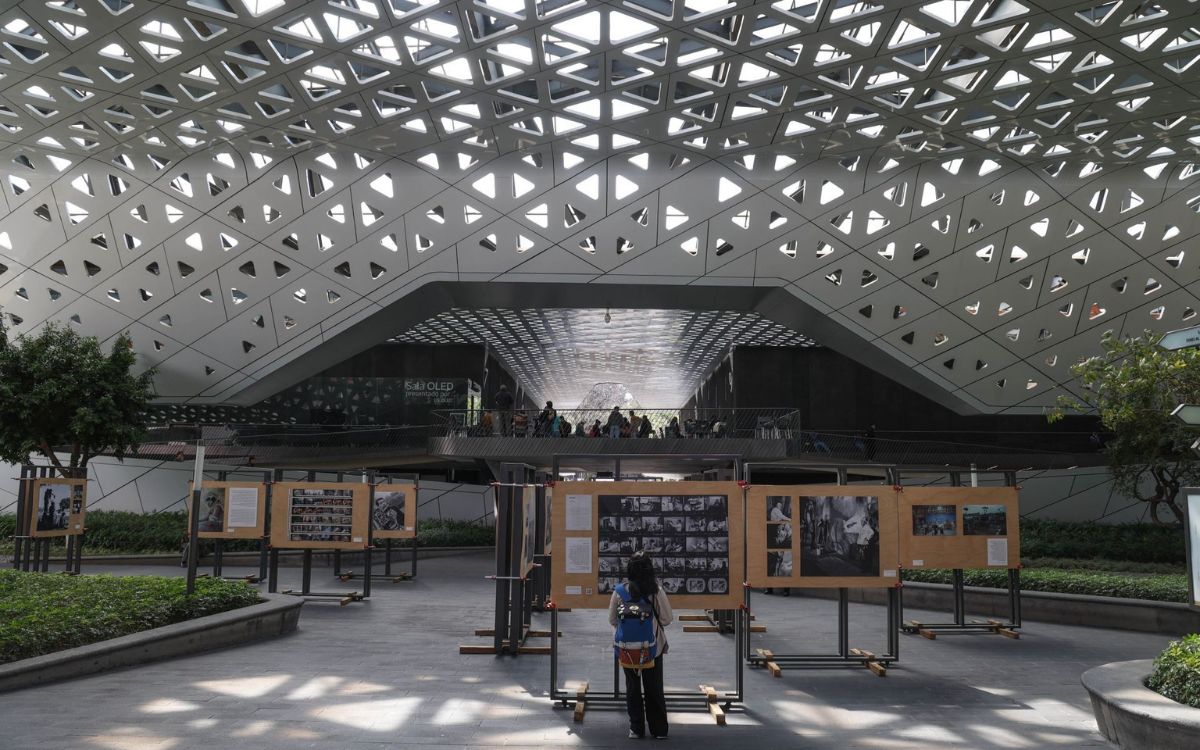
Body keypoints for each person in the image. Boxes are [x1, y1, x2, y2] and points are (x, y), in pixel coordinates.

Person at [608, 551, 673, 739]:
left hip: (627, 649)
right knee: (654, 688)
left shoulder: (619, 592)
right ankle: (659, 730)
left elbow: (612, 620)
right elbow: (667, 619)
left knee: (632, 688)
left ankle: (636, 728)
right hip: (652, 648)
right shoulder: (656, 591)